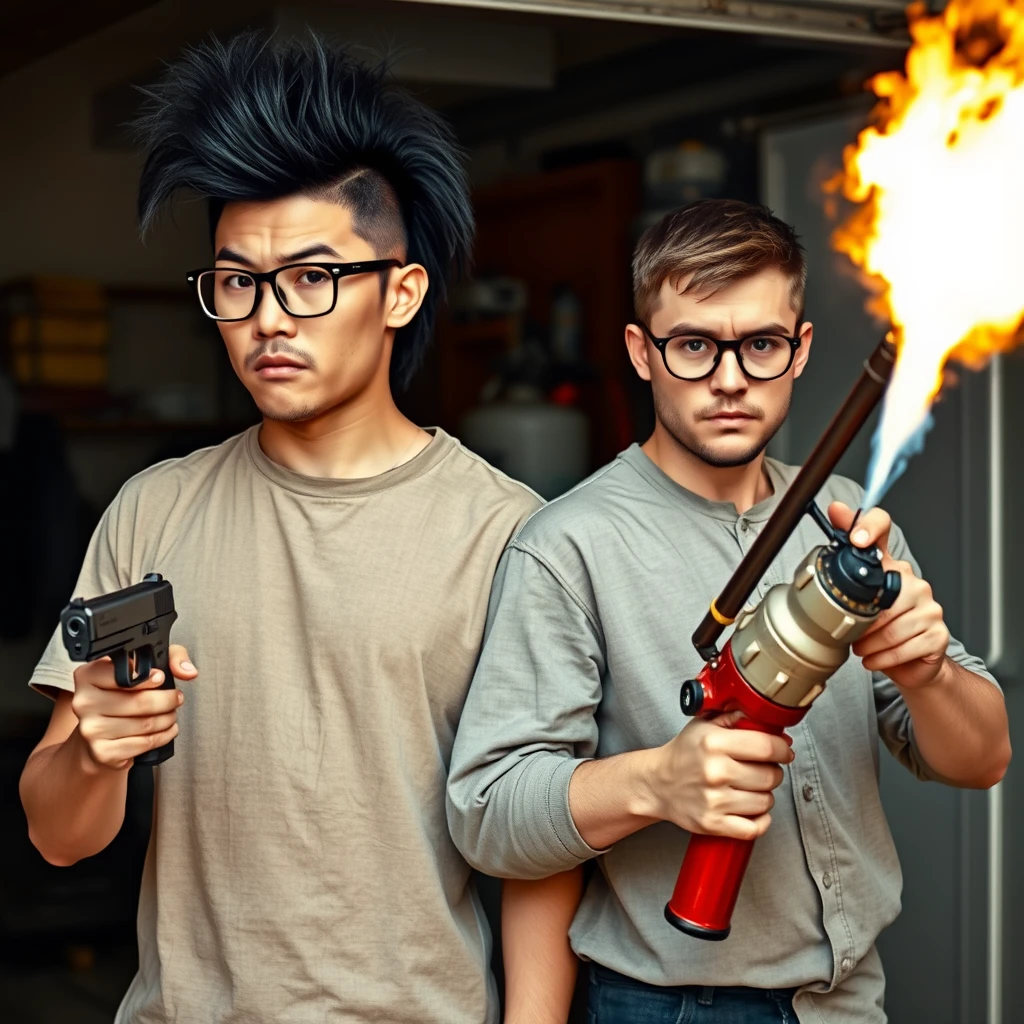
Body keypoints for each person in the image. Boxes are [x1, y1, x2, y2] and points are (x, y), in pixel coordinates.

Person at [19, 32, 540, 1024]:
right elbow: (57, 837)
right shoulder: (153, 509)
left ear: (400, 291)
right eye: (236, 281)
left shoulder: (509, 535)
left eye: (311, 278)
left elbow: (540, 853)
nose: (267, 320)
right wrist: (95, 750)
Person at [447, 199, 1011, 1024]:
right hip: (672, 1007)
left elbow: (982, 760)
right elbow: (490, 816)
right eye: (694, 345)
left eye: (760, 344)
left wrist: (926, 673)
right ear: (642, 353)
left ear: (800, 349)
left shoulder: (847, 521)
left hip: (847, 1004)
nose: (730, 376)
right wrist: (656, 781)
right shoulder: (569, 546)